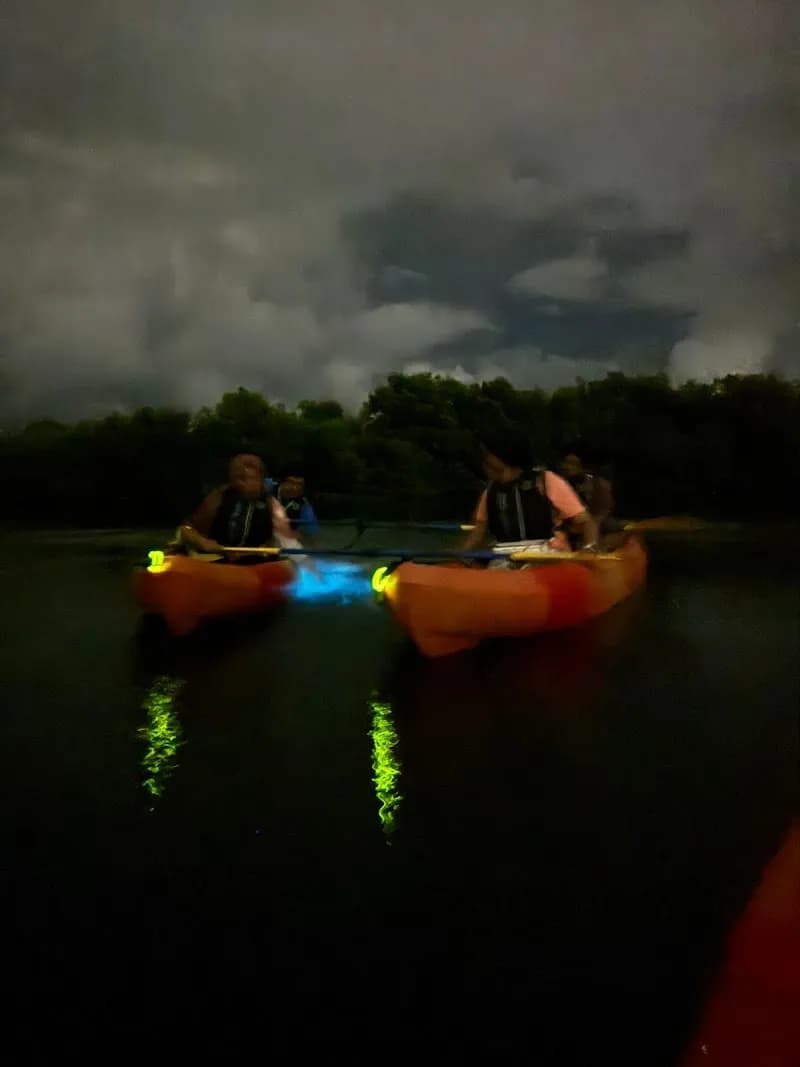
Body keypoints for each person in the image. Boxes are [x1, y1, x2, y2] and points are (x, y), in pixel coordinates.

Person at [461, 430, 599, 560]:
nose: (484, 460)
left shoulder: (547, 481)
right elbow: (478, 532)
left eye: (488, 456)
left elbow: (586, 522)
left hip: (549, 555)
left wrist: (589, 549)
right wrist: (461, 558)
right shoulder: (492, 491)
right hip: (505, 556)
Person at [178, 453, 299, 561]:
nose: (251, 483)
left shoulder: (271, 504)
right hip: (217, 558)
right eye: (245, 478)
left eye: (255, 478)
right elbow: (187, 529)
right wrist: (202, 541)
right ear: (235, 479)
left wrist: (265, 547)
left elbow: (282, 538)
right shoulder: (218, 498)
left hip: (253, 561)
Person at [559, 451, 625, 545]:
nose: (566, 467)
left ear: (583, 467)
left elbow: (602, 514)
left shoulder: (598, 484)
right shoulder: (561, 484)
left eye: (572, 463)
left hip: (597, 525)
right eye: (565, 462)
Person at [272, 463, 320, 537]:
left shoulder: (304, 504)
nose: (295, 488)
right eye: (291, 482)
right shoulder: (267, 491)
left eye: (299, 484)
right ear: (281, 481)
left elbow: (312, 532)